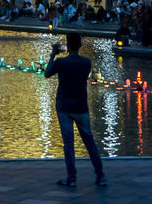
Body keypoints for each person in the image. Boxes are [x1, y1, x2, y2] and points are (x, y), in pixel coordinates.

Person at [43, 31, 107, 188]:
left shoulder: (61, 63)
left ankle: (71, 178)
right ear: (80, 45)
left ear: (68, 45)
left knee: (68, 145)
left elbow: (46, 73)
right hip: (81, 107)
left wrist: (53, 55)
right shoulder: (86, 63)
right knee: (90, 142)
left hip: (64, 107)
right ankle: (100, 176)